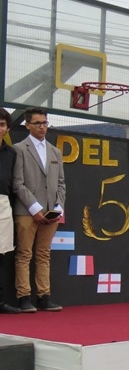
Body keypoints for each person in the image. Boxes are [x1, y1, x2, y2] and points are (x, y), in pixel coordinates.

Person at [12, 107, 65, 312]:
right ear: (27, 125)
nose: (42, 127)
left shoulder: (55, 151)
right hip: (27, 211)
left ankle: (44, 296)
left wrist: (58, 207)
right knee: (24, 254)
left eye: (45, 123)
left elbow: (61, 183)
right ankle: (24, 297)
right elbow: (17, 183)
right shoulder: (19, 149)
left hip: (51, 212)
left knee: (44, 254)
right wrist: (34, 208)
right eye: (37, 123)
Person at [0, 109, 20, 314]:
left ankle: (0, 301)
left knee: (1, 255)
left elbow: (14, 184)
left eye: (2, 125)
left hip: (3, 204)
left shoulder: (11, 154)